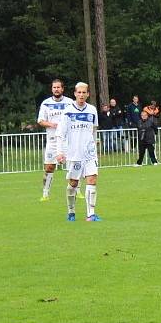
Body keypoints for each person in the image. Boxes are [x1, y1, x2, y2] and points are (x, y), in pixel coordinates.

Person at [56, 82, 101, 222]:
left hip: (89, 154)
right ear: (75, 94)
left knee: (92, 179)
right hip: (74, 154)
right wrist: (60, 152)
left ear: (88, 94)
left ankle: (91, 214)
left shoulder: (92, 110)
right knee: (73, 184)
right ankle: (71, 211)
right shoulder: (68, 111)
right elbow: (60, 133)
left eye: (84, 92)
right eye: (79, 92)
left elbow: (93, 130)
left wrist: (94, 146)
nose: (81, 95)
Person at [37, 79, 80, 202]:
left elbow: (75, 118)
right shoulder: (45, 103)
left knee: (73, 165)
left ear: (62, 89)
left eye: (58, 87)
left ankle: (77, 190)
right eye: (54, 87)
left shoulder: (70, 103)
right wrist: (53, 125)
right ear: (52, 89)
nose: (56, 89)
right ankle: (45, 193)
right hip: (53, 141)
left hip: (68, 140)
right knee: (49, 167)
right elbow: (40, 121)